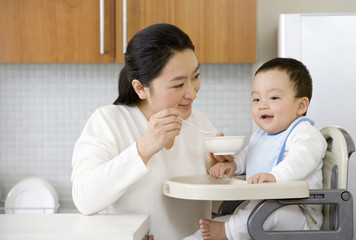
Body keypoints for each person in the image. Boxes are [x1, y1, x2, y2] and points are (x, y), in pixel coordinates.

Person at [71, 23, 228, 239]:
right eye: (177, 85)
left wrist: (222, 171)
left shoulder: (199, 123)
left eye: (195, 76)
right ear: (140, 88)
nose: (192, 93)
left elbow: (220, 204)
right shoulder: (110, 121)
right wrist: (144, 148)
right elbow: (84, 199)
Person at [185, 58, 327, 240]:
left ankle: (227, 232)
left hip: (299, 214)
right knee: (225, 222)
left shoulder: (306, 134)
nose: (262, 104)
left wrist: (275, 177)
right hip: (265, 207)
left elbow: (300, 161)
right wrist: (233, 165)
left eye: (273, 98)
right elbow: (248, 156)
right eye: (256, 99)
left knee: (257, 214)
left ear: (301, 105)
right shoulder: (260, 135)